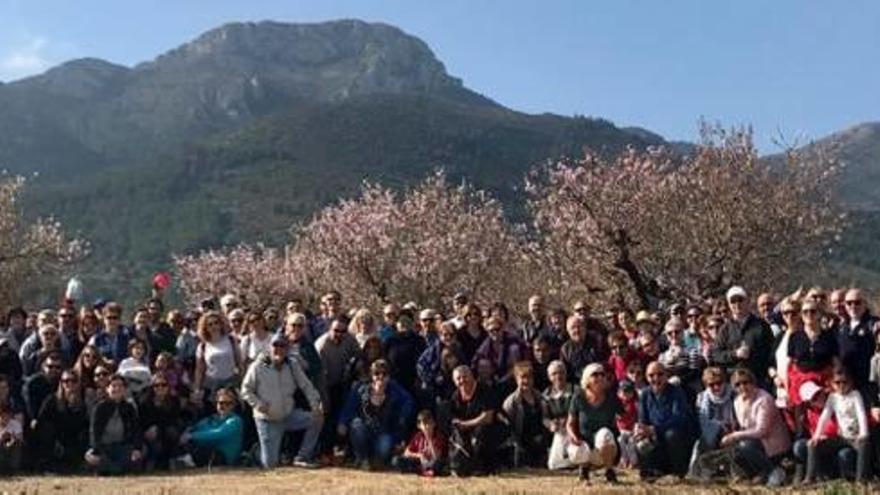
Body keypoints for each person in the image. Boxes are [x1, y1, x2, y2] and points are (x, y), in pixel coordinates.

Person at [240, 333, 324, 469]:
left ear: (287, 348)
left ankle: (303, 456)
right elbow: (245, 389)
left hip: (288, 416)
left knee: (317, 418)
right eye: (275, 345)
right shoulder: (259, 366)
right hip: (267, 420)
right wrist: (258, 404)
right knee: (270, 465)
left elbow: (306, 386)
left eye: (282, 346)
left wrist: (315, 406)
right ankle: (255, 451)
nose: (278, 349)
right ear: (269, 347)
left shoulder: (292, 364)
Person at [338, 359, 415, 469]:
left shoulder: (395, 389)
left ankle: (376, 459)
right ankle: (362, 458)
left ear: (389, 376)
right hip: (366, 429)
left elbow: (409, 401)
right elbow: (349, 406)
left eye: (384, 374)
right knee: (356, 424)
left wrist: (403, 416)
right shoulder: (361, 388)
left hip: (385, 431)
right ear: (371, 375)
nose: (381, 377)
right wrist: (342, 422)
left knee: (384, 446)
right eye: (377, 373)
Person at [719, 368, 790, 487]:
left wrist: (735, 435)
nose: (742, 386)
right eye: (737, 384)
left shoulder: (764, 399)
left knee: (744, 445)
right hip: (755, 441)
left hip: (773, 444)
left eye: (745, 382)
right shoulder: (737, 401)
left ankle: (774, 471)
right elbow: (744, 426)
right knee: (732, 447)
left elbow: (761, 431)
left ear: (753, 382)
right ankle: (755, 474)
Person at [805, 367, 870, 483]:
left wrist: (863, 433)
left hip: (855, 436)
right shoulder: (832, 397)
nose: (841, 385)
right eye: (837, 382)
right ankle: (810, 477)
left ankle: (861, 479)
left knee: (864, 445)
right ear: (832, 384)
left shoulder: (855, 395)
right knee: (812, 445)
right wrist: (816, 436)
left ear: (850, 383)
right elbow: (825, 416)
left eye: (844, 382)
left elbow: (861, 414)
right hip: (841, 436)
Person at [635, 361, 695, 481]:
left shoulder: (676, 392)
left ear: (666, 375)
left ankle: (678, 472)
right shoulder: (645, 394)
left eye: (660, 374)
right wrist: (640, 429)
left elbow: (679, 418)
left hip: (678, 439)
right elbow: (643, 419)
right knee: (639, 439)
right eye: (651, 375)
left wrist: (654, 429)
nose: (656, 378)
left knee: (671, 434)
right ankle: (650, 472)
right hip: (656, 437)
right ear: (646, 377)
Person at [566, 363, 621, 483]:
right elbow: (570, 423)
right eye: (595, 374)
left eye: (602, 374)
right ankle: (584, 469)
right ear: (587, 379)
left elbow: (624, 416)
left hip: (604, 443)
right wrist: (573, 436)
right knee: (576, 451)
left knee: (605, 433)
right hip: (584, 440)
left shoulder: (611, 397)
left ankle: (609, 470)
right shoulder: (578, 397)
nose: (600, 377)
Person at [709, 286, 774, 388]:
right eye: (733, 301)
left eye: (740, 300)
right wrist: (735, 354)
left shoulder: (762, 325)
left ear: (747, 301)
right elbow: (716, 355)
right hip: (733, 383)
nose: (737, 304)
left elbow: (771, 352)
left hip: (758, 381)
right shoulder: (724, 329)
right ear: (729, 305)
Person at [85, 375, 143, 475]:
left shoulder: (129, 408)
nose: (117, 389)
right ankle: (114, 468)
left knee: (137, 456)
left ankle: (112, 469)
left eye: (120, 386)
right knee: (91, 459)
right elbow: (94, 432)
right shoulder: (100, 407)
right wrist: (95, 450)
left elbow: (135, 430)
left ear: (125, 389)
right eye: (113, 386)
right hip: (104, 447)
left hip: (122, 446)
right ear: (107, 389)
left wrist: (137, 448)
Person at [34, 370, 90, 472]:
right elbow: (42, 422)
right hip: (56, 441)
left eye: (73, 381)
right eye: (66, 381)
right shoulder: (51, 400)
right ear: (61, 383)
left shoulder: (84, 401)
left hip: (75, 441)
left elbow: (86, 424)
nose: (70, 384)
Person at [447, 365, 496, 476]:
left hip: (488, 428)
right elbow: (453, 418)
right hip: (467, 429)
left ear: (472, 376)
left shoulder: (485, 390)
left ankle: (482, 467)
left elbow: (488, 417)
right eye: (458, 378)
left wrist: (466, 424)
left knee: (482, 432)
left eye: (465, 377)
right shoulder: (455, 396)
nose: (462, 380)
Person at [176, 387, 243, 468]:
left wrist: (192, 436)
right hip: (207, 451)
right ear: (216, 403)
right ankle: (181, 461)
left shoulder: (235, 420)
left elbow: (218, 433)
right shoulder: (211, 418)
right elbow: (197, 427)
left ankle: (186, 461)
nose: (224, 406)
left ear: (234, 405)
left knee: (206, 452)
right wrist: (188, 432)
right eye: (221, 403)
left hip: (223, 457)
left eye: (228, 403)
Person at [688, 367, 736, 478]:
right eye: (711, 384)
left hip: (732, 430)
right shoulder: (701, 398)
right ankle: (699, 472)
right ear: (706, 385)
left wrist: (726, 428)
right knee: (701, 442)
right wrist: (719, 425)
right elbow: (703, 421)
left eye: (719, 383)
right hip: (710, 433)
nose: (716, 387)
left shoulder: (733, 394)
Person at [501, 361, 549, 468]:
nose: (526, 381)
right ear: (516, 379)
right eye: (522, 377)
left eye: (529, 377)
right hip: (520, 445)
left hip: (539, 443)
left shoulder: (540, 397)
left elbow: (545, 418)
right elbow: (507, 427)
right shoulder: (511, 402)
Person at [192, 311, 242, 404]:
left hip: (230, 382)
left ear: (221, 324)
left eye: (216, 322)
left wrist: (242, 381)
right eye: (210, 324)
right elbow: (199, 370)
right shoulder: (203, 346)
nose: (213, 326)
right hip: (211, 385)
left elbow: (239, 362)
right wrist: (197, 389)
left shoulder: (231, 340)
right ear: (205, 328)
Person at [138, 374, 184, 470]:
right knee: (155, 436)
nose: (160, 388)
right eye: (157, 385)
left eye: (163, 385)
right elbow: (143, 421)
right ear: (152, 387)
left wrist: (158, 426)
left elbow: (174, 419)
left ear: (168, 387)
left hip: (167, 431)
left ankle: (171, 460)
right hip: (150, 433)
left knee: (171, 431)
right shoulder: (144, 402)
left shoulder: (174, 401)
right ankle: (151, 462)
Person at [838, 289, 877, 390]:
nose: (853, 306)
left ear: (865, 304)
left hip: (867, 385)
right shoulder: (842, 326)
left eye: (857, 302)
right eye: (849, 303)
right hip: (845, 384)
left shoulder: (873, 324)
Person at [392, 409, 446, 476]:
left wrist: (429, 440)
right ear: (419, 426)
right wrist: (419, 455)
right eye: (424, 424)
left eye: (429, 423)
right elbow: (406, 452)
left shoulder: (438, 436)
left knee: (438, 464)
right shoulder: (418, 436)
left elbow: (437, 456)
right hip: (420, 462)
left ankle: (427, 471)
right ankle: (422, 471)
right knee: (396, 460)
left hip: (432, 462)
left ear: (434, 424)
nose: (427, 427)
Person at [383, 314, 426, 395]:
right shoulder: (390, 341)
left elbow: (423, 360)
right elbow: (385, 359)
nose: (404, 324)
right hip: (395, 381)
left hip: (414, 381)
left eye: (407, 322)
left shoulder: (419, 340)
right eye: (401, 322)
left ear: (411, 324)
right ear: (397, 325)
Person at [560, 315, 600, 382]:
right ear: (568, 331)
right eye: (573, 328)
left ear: (585, 328)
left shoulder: (597, 342)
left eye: (579, 326)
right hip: (576, 384)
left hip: (596, 380)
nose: (577, 330)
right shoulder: (565, 349)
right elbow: (565, 372)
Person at [0, 404, 23, 474]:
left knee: (17, 444)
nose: (5, 418)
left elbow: (20, 438)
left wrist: (13, 439)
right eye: (3, 416)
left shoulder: (16, 424)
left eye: (7, 416)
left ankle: (13, 468)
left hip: (12, 446)